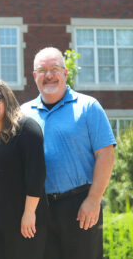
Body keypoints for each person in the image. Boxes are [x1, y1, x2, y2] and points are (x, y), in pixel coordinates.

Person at [21, 47, 116, 259]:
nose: (49, 75)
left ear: (65, 73)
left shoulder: (88, 107)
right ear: (34, 76)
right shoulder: (23, 114)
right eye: (42, 70)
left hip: (80, 205)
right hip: (40, 209)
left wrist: (94, 200)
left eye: (54, 69)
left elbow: (106, 156)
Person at [0, 77, 48, 259]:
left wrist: (29, 214)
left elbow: (36, 174)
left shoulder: (26, 128)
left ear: (7, 98)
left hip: (22, 224)